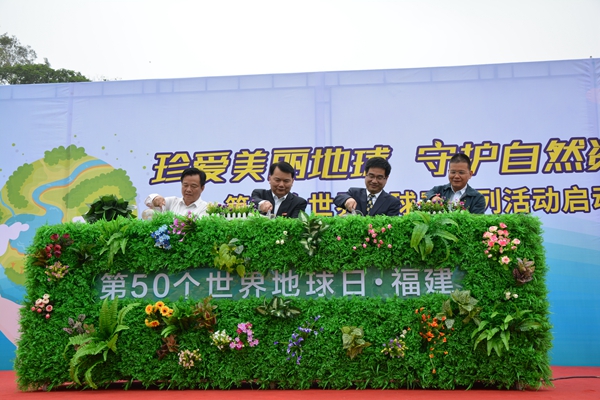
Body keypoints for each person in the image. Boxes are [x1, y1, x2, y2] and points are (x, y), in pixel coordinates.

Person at [333, 157, 400, 216]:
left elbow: (390, 224)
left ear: (386, 178)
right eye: (371, 176)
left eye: (379, 177)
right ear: (366, 174)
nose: (374, 181)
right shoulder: (354, 193)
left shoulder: (392, 202)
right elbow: (337, 199)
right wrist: (347, 199)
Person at [144, 167, 209, 217]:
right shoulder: (172, 202)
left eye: (193, 186)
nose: (188, 190)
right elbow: (148, 202)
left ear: (202, 188)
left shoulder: (206, 209)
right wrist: (155, 199)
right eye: (185, 185)